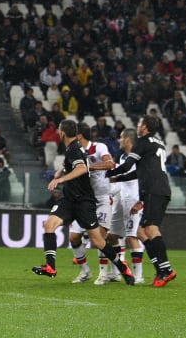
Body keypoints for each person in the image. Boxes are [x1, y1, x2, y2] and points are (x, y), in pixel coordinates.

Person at [31, 120, 134, 285]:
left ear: (62, 132)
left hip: (84, 202)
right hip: (69, 199)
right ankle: (50, 267)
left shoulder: (74, 149)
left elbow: (82, 168)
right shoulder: (74, 148)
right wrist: (61, 170)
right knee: (49, 225)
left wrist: (61, 179)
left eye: (59, 129)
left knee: (98, 241)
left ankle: (123, 268)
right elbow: (75, 164)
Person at [106, 116, 177, 287]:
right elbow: (140, 172)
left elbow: (127, 164)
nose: (138, 127)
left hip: (154, 191)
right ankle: (160, 269)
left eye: (139, 124)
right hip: (159, 190)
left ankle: (166, 270)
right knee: (140, 232)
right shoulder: (158, 143)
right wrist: (120, 178)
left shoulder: (142, 142)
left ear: (144, 127)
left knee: (151, 229)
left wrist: (106, 172)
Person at [68, 122, 116, 285]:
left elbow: (110, 164)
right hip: (85, 201)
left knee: (100, 238)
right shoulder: (75, 152)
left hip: (102, 199)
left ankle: (103, 274)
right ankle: (85, 272)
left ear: (79, 135)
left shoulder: (98, 147)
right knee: (74, 237)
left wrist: (90, 167)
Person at [107, 128, 145, 284]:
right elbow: (121, 182)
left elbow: (143, 181)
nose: (119, 140)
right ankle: (116, 272)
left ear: (128, 140)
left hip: (133, 201)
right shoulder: (123, 157)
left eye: (121, 138)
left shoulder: (138, 160)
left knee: (132, 236)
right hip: (121, 202)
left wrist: (141, 202)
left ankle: (139, 276)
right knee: (111, 236)